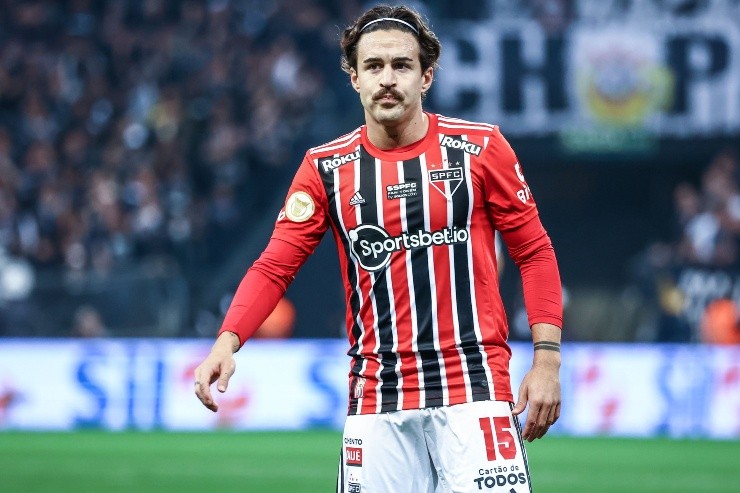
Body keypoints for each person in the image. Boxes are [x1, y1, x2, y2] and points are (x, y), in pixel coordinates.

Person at [194, 5, 563, 492]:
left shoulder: (481, 149)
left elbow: (534, 252)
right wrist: (226, 341)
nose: (387, 79)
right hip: (377, 401)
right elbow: (274, 267)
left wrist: (547, 361)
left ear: (426, 76)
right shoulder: (325, 168)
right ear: (354, 78)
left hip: (475, 391)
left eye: (401, 65)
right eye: (373, 66)